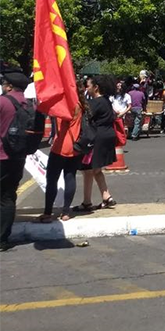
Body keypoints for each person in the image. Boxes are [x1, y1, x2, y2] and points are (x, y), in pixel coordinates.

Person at [36, 84, 87, 222]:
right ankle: (66, 212)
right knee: (70, 177)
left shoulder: (64, 106)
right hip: (76, 147)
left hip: (60, 147)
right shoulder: (80, 104)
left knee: (52, 179)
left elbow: (52, 115)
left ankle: (48, 212)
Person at [74, 75, 118, 212]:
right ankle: (107, 196)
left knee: (87, 170)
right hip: (107, 136)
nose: (86, 88)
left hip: (96, 138)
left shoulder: (95, 102)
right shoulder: (106, 101)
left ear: (95, 87)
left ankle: (87, 202)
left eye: (87, 86)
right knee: (96, 170)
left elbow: (82, 115)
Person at [0, 67, 32, 249]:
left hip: (1, 156)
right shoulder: (28, 105)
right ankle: (3, 239)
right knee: (8, 196)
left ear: (10, 86)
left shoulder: (2, 102)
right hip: (18, 157)